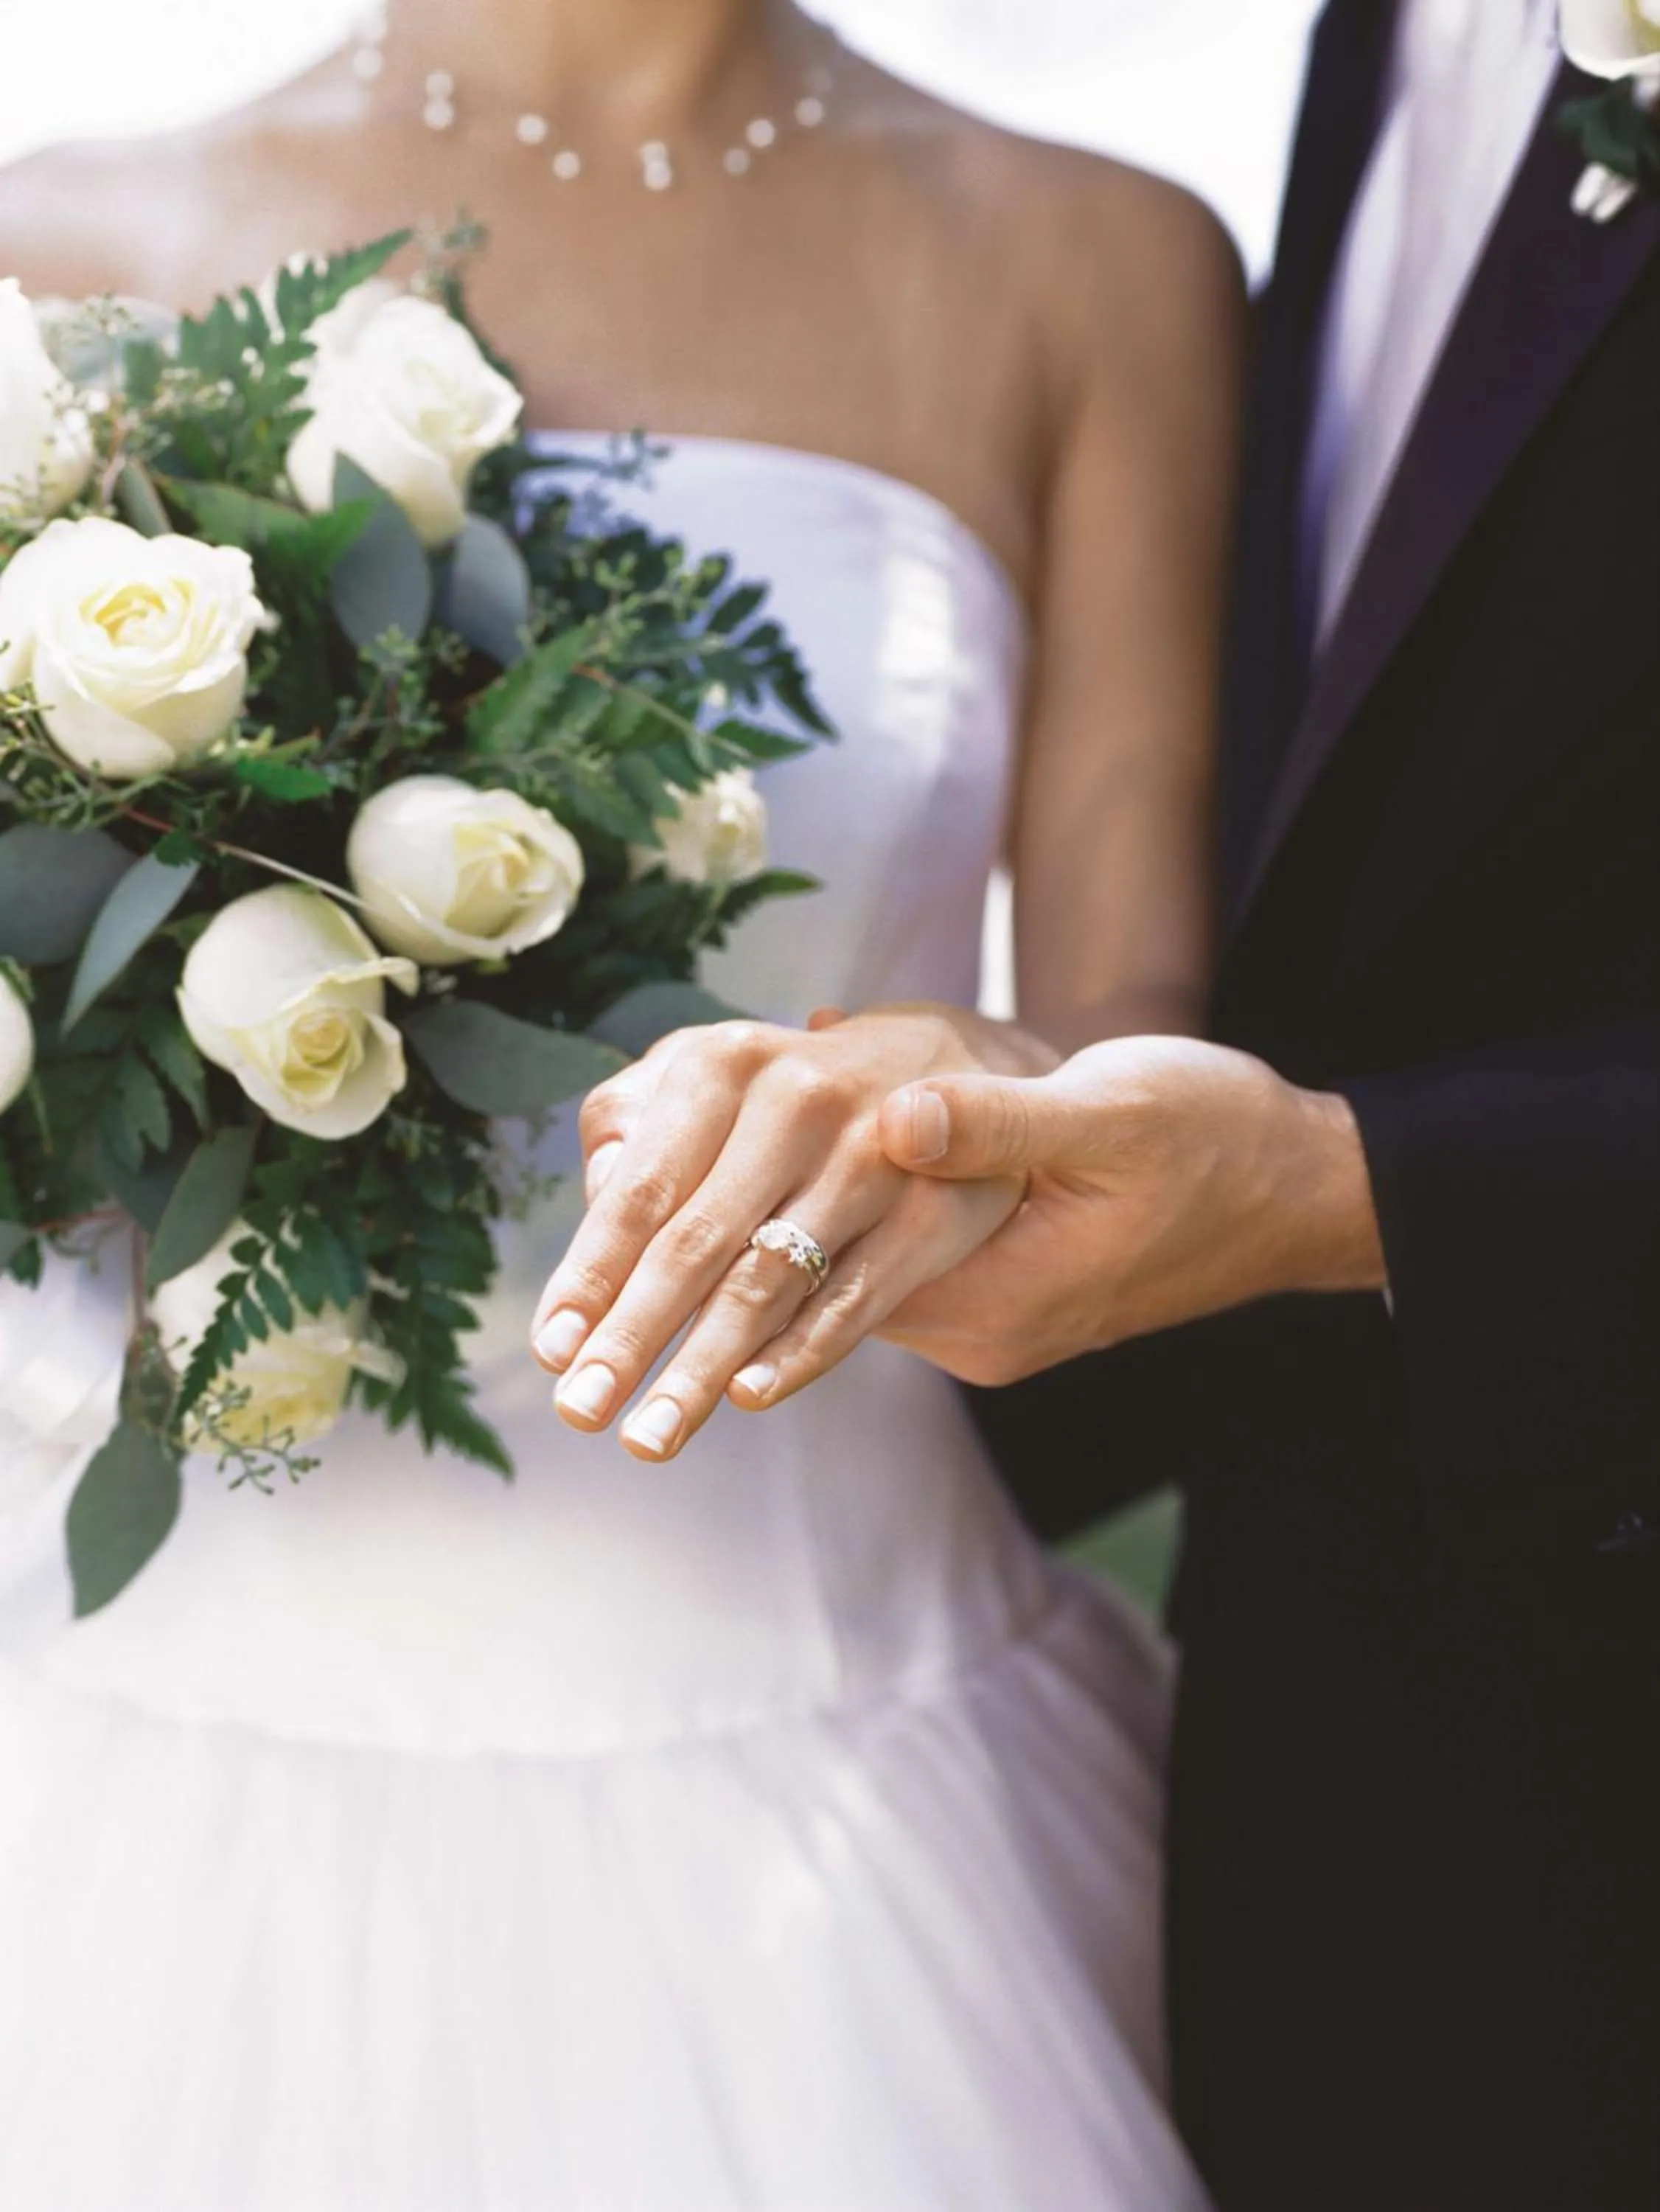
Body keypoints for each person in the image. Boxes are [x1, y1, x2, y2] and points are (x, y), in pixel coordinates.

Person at [0, 1, 1241, 2204]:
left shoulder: (1097, 260)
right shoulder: (57, 253)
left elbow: (1127, 1016)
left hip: (834, 1741)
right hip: (134, 1740)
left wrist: (958, 1074)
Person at [543, 3, 1660, 2207]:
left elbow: (1133, 1012)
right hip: (1361, 1812)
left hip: (909, 1692)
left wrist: (1328, 1187)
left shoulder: (1094, 252)